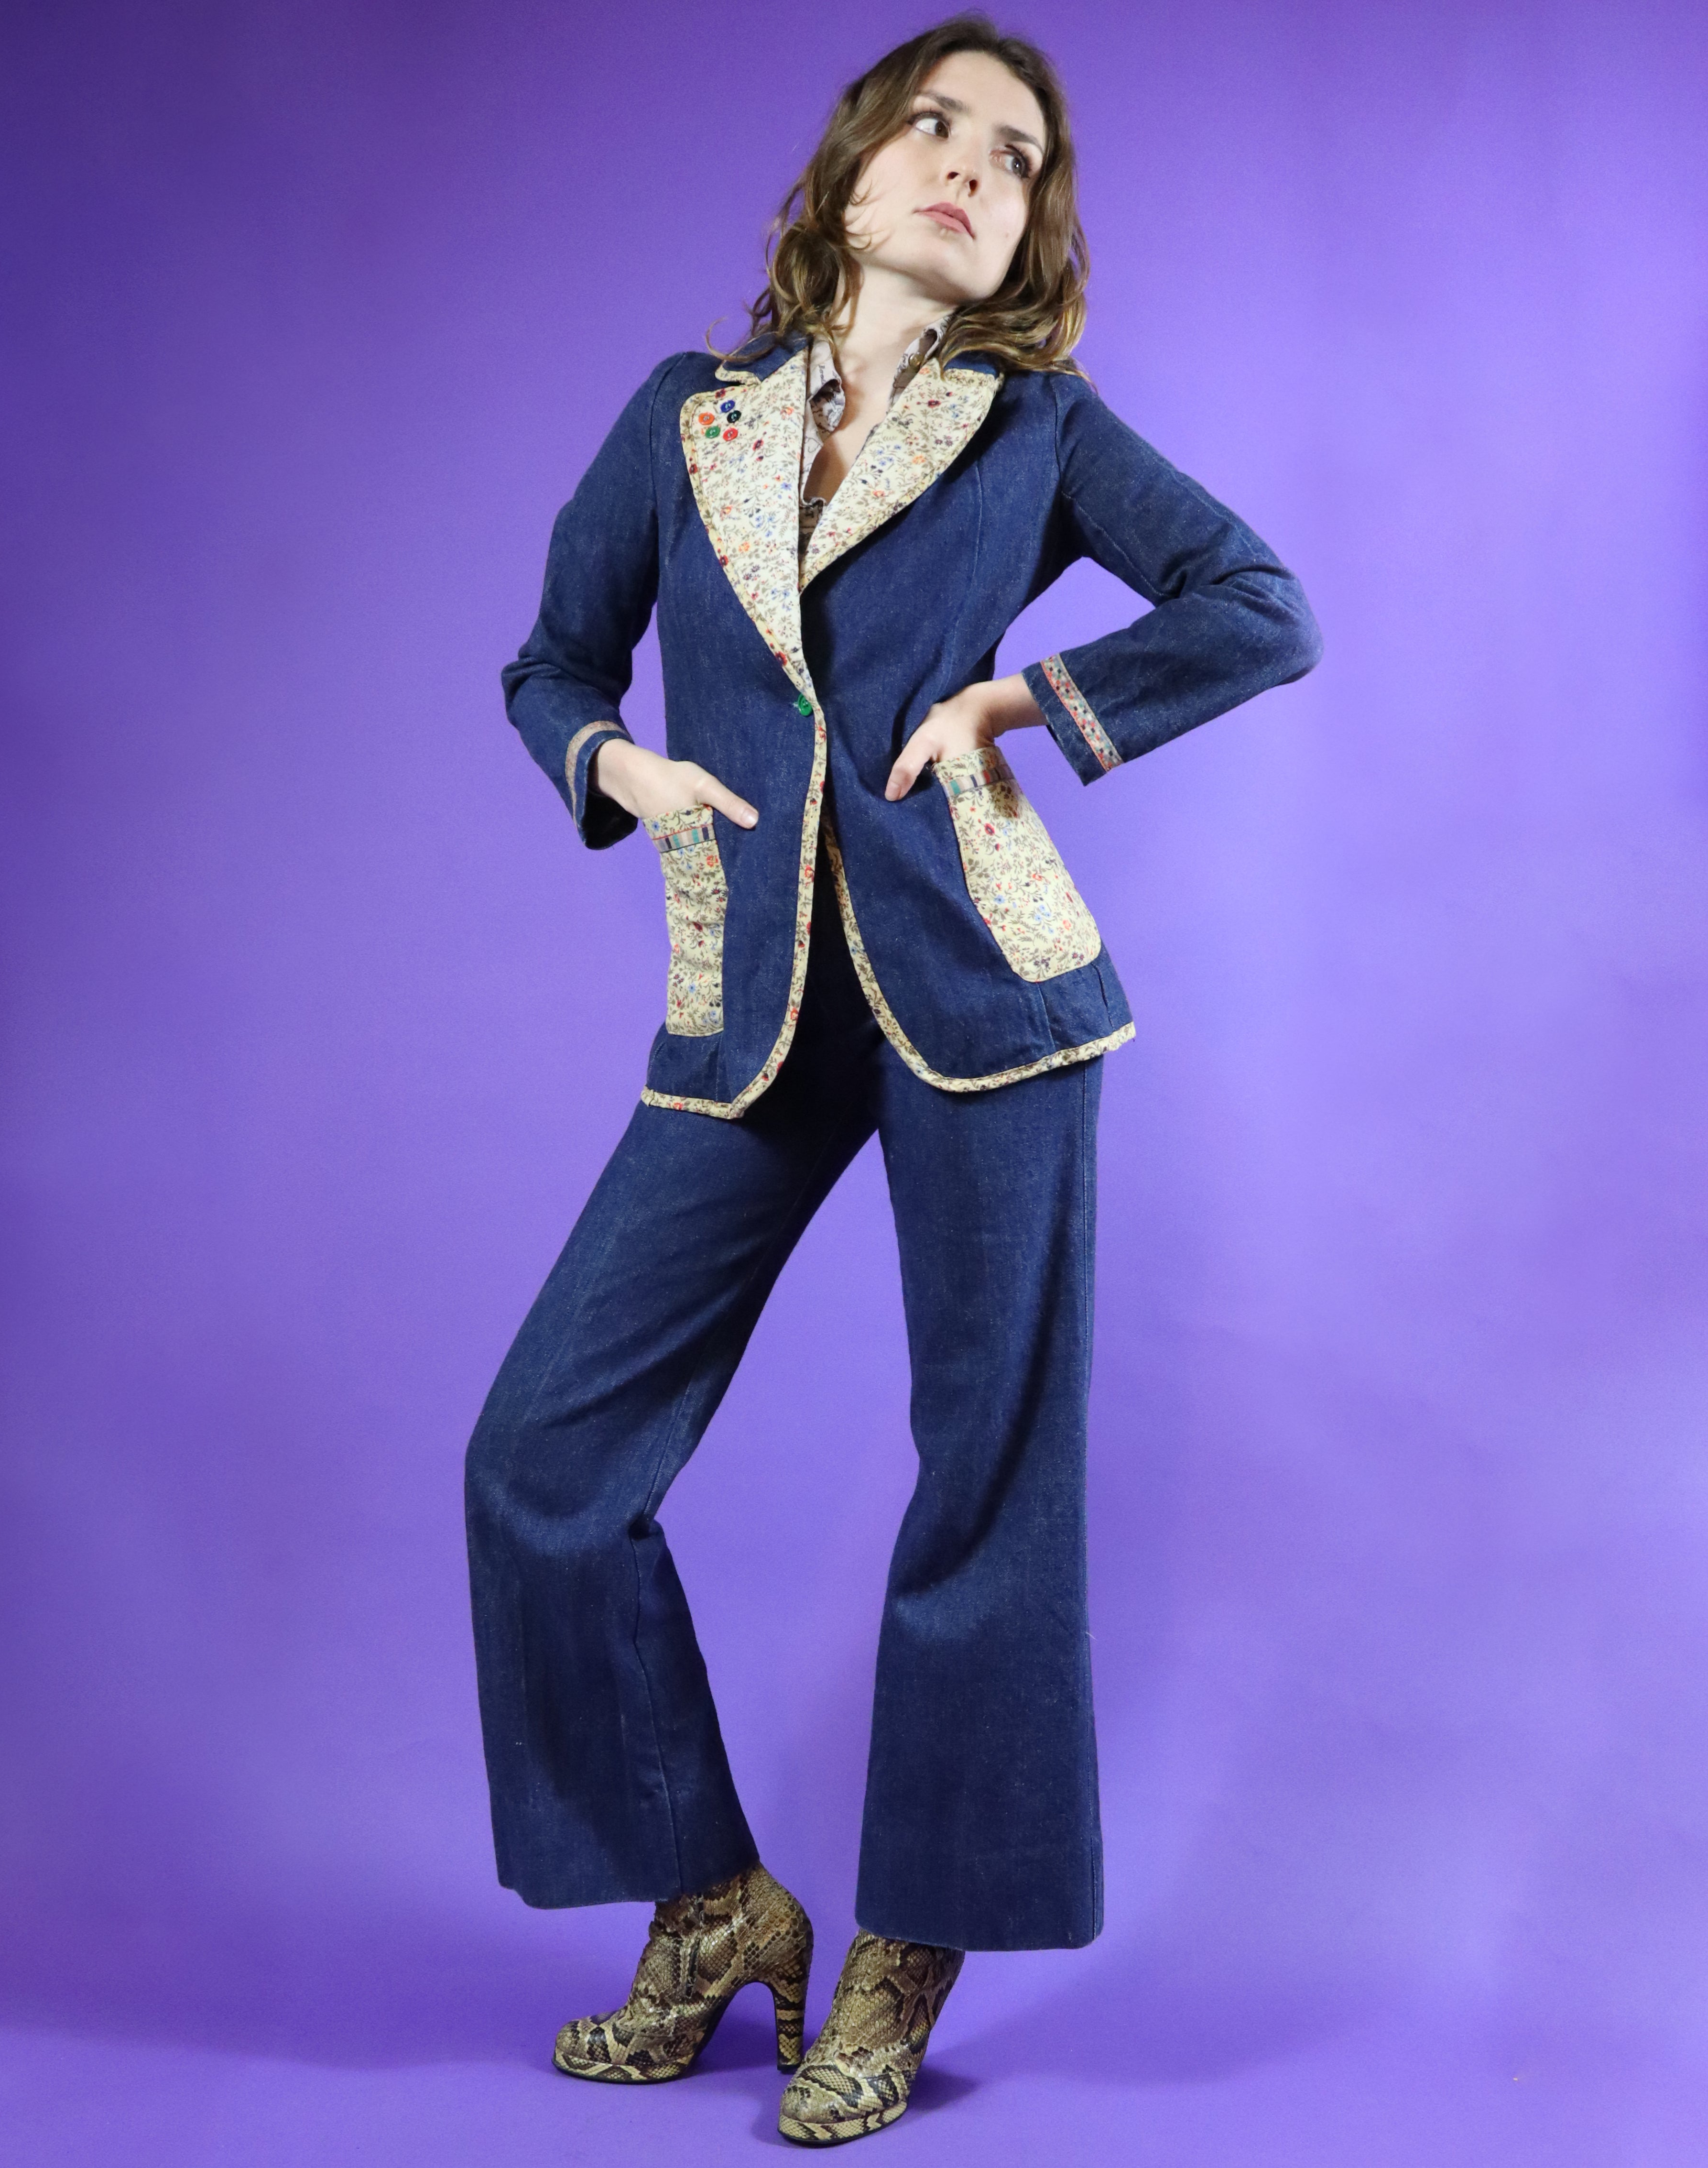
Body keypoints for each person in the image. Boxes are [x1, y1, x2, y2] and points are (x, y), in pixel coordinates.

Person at [464, 12, 1320, 2146]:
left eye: (1014, 156)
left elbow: (1259, 604)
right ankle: (711, 1904)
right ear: (851, 171)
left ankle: (906, 1949)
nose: (969, 165)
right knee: (541, 1461)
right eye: (934, 126)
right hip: (744, 993)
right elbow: (552, 660)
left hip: (989, 990)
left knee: (985, 1483)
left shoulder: (1037, 427)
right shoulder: (688, 417)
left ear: (1030, 230)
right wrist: (619, 766)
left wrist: (1027, 703)